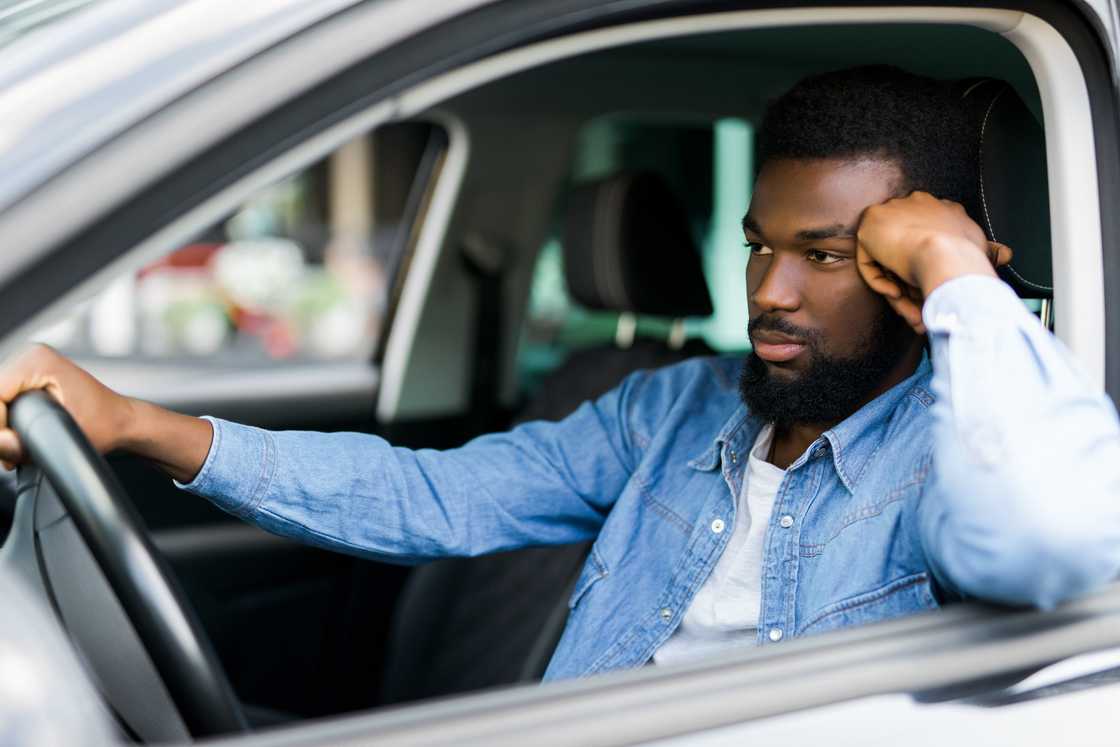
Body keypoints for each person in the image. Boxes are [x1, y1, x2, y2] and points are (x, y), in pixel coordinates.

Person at [2, 66, 1119, 679]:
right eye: (758, 242)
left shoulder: (963, 452)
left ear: (921, 266)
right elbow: (434, 498)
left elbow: (1047, 539)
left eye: (827, 256)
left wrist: (964, 280)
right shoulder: (670, 409)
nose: (770, 290)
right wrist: (137, 422)